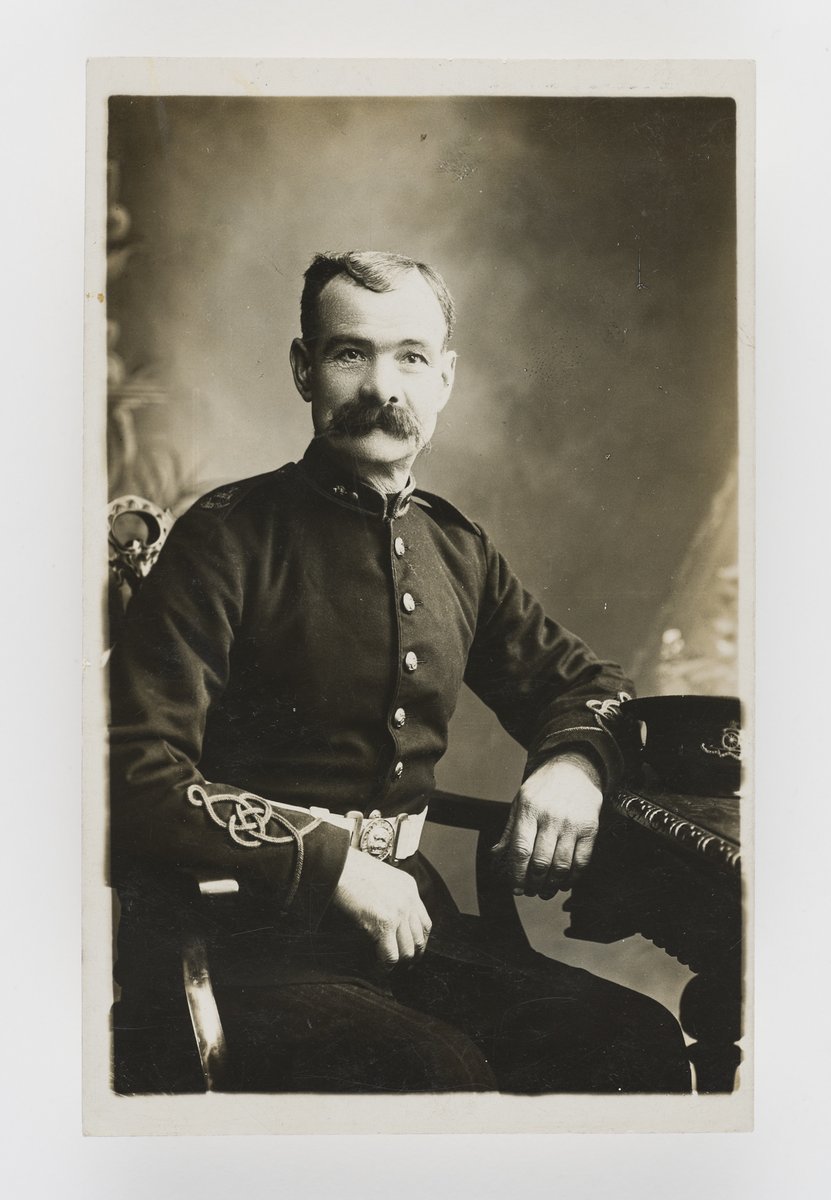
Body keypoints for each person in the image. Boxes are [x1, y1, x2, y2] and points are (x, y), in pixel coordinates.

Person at [109, 250, 691, 1094]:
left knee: (631, 1038)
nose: (383, 386)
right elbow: (134, 768)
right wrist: (333, 864)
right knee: (436, 1075)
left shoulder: (456, 549)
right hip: (243, 940)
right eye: (351, 353)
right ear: (305, 369)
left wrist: (572, 763)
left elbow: (585, 684)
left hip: (417, 924)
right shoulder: (226, 538)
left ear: (444, 378)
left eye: (411, 357)